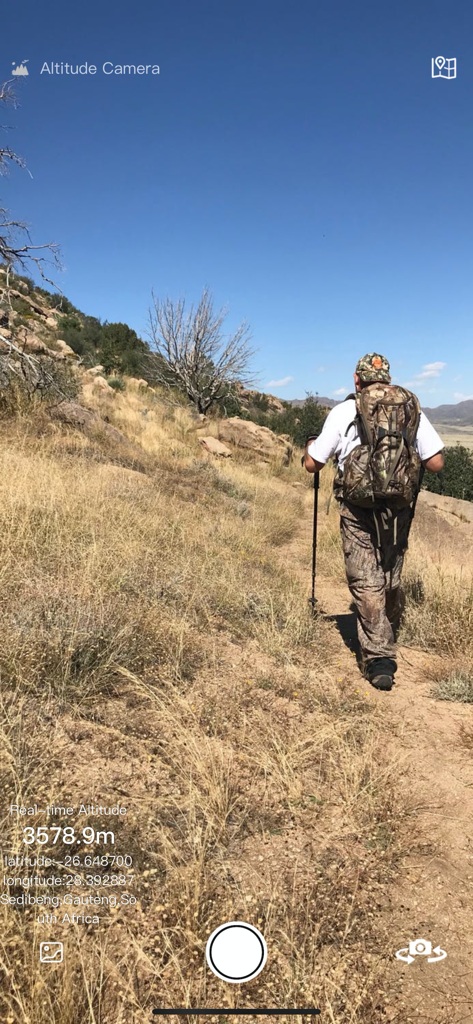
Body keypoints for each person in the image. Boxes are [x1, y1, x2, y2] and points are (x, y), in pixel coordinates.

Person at [303, 353, 444, 691]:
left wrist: (311, 447)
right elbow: (436, 462)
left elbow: (312, 465)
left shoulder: (343, 411)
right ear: (388, 379)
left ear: (357, 380)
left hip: (358, 508)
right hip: (397, 508)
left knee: (365, 578)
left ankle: (379, 658)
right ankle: (386, 629)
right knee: (389, 574)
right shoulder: (410, 409)